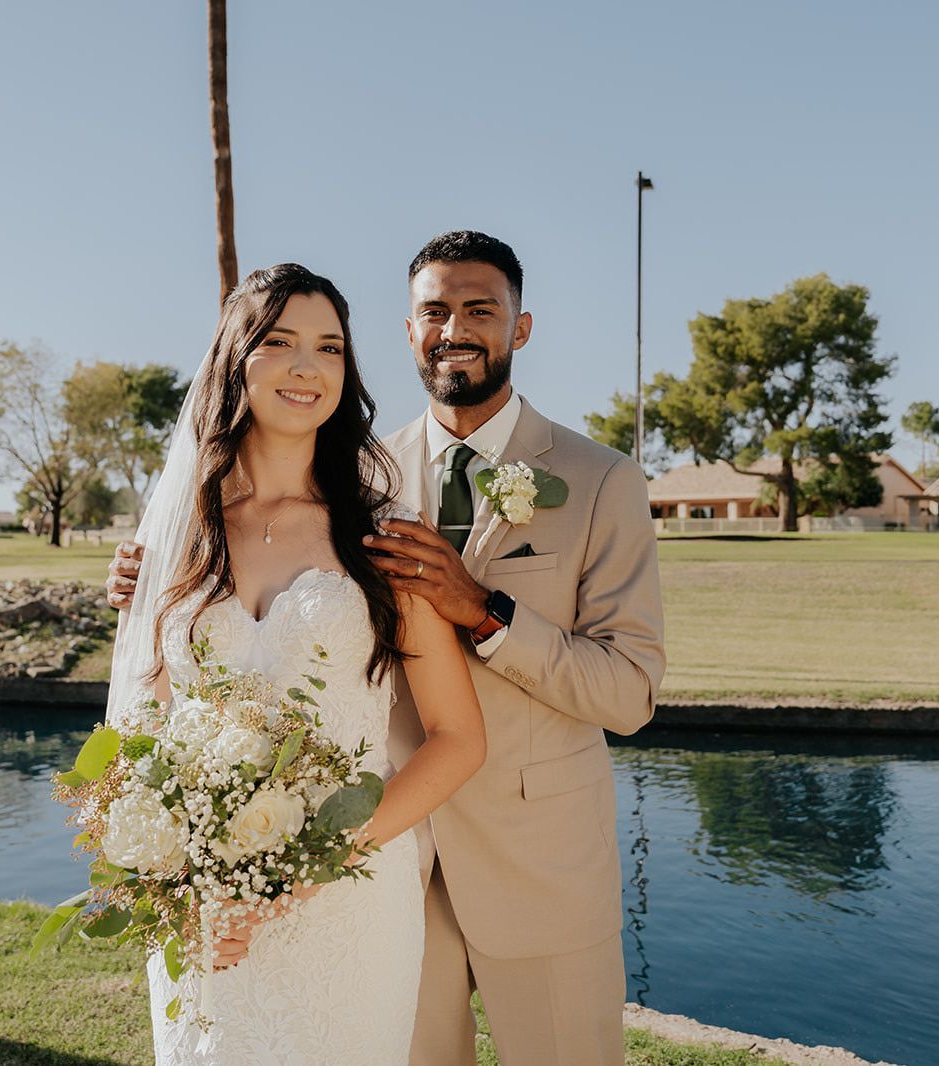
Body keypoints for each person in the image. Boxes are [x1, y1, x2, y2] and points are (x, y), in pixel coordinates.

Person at [111, 233, 665, 1065]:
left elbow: (628, 693)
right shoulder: (369, 474)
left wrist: (482, 611)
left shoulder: (599, 480)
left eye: (482, 309)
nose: (456, 328)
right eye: (434, 311)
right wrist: (148, 576)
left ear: (521, 328)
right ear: (407, 333)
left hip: (532, 863)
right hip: (378, 871)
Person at [109, 262, 486, 1065]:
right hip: (209, 908)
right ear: (235, 359)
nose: (307, 366)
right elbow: (143, 728)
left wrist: (312, 865)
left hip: (349, 904)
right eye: (279, 342)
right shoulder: (183, 534)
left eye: (330, 348)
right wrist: (181, 876)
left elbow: (458, 738)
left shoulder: (383, 535)